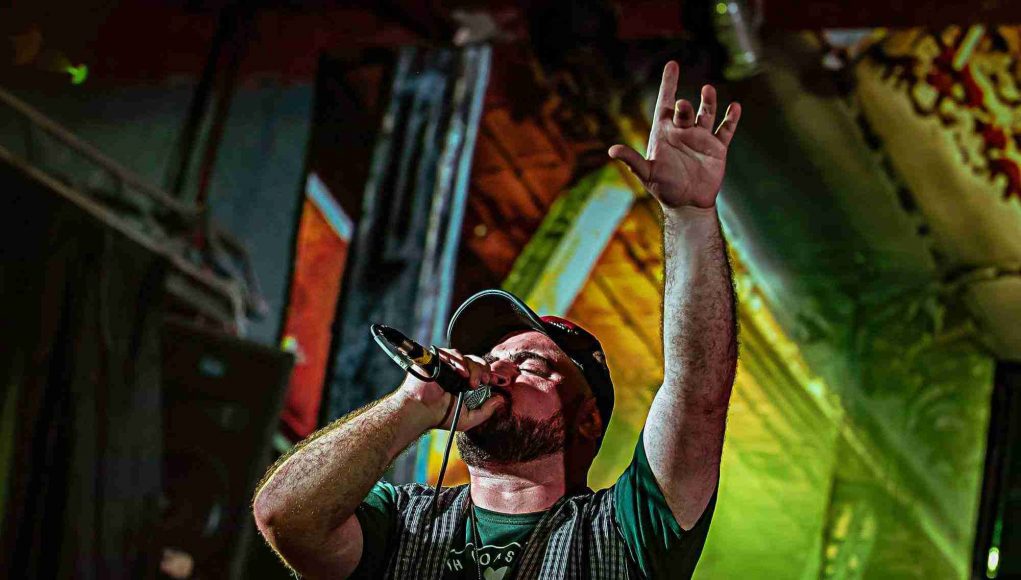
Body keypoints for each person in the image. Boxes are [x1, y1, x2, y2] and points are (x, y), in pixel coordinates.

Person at [252, 60, 741, 580]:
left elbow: (697, 389)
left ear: (587, 419)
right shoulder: (400, 522)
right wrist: (410, 406)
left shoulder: (623, 530)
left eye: (531, 365)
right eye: (490, 358)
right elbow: (286, 518)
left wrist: (690, 218)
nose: (496, 371)